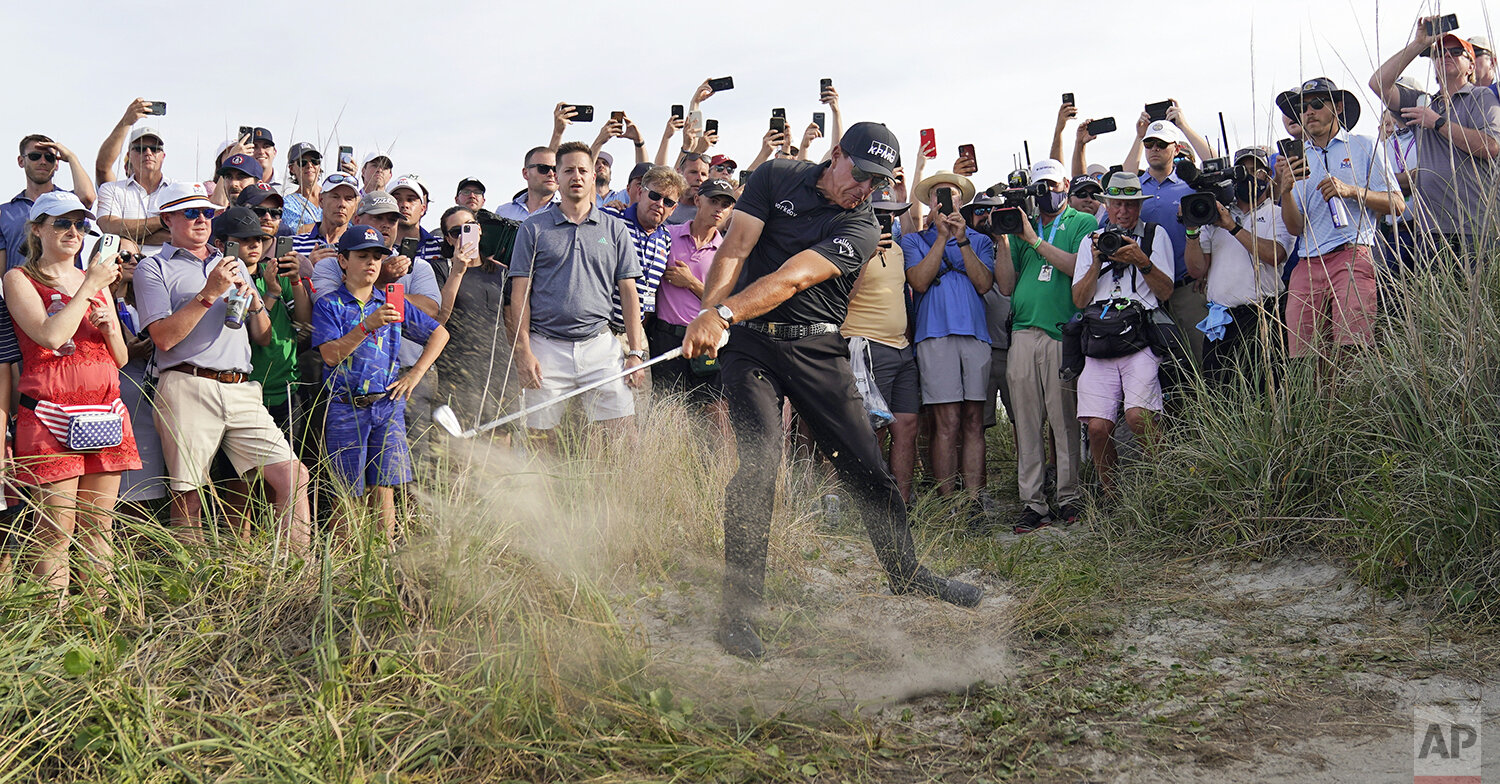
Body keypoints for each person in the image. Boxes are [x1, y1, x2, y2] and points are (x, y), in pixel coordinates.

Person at [681, 122, 983, 660]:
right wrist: (710, 311)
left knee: (869, 469)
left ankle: (906, 572)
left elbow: (795, 277)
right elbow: (737, 244)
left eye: (877, 182)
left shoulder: (863, 226)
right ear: (836, 155)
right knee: (758, 464)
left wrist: (721, 312)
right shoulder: (776, 175)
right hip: (750, 345)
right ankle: (739, 613)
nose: (864, 190)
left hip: (816, 349)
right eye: (859, 175)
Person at [132, 182, 311, 552]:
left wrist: (257, 302)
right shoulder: (153, 267)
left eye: (207, 212)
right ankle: (193, 589)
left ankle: (296, 578)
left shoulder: (230, 263)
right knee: (189, 497)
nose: (201, 219)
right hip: (186, 382)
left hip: (241, 386)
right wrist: (209, 293)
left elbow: (261, 337)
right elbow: (163, 338)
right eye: (190, 212)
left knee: (292, 475)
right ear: (168, 218)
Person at [4, 191, 139, 597]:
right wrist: (90, 288)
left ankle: (98, 624)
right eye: (62, 223)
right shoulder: (18, 278)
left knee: (100, 530)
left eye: (79, 224)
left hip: (104, 412)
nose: (73, 231)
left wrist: (111, 327)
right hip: (50, 416)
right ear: (37, 229)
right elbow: (49, 335)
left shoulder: (93, 280)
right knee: (55, 532)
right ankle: (54, 630)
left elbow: (120, 358)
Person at [313, 225, 449, 540]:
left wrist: (414, 375)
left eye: (377, 256)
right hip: (346, 407)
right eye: (363, 256)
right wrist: (367, 325)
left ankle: (384, 558)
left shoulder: (392, 302)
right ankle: (345, 564)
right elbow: (331, 355)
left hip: (387, 405)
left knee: (384, 486)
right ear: (343, 260)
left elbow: (440, 333)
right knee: (346, 491)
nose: (372, 263)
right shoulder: (330, 305)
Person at [505, 141, 647, 439]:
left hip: (600, 346)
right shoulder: (533, 228)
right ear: (556, 175)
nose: (577, 176)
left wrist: (635, 352)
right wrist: (523, 351)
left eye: (583, 170)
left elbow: (629, 293)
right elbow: (520, 295)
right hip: (546, 348)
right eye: (568, 170)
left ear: (594, 176)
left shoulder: (614, 229)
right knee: (540, 441)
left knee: (622, 436)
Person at [1273, 78, 1403, 362]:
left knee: (1352, 348)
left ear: (1339, 107)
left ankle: (1353, 406)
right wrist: (1285, 192)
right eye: (1303, 107)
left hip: (1352, 253)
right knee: (1304, 359)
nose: (1309, 111)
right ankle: (1322, 408)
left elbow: (1397, 203)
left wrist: (1351, 191)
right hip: (1307, 262)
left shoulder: (1364, 144)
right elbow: (1295, 228)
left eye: (1317, 104)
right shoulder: (1297, 159)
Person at [999, 158, 1094, 534]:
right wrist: (1003, 240)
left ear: (1065, 185)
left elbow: (1078, 268)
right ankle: (1033, 503)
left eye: (1053, 186)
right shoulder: (1027, 225)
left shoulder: (1082, 222)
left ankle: (1069, 496)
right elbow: (1006, 285)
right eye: (1041, 188)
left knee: (1063, 420)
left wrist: (1033, 240)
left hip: (1060, 331)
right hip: (1023, 332)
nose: (1047, 194)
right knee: (1025, 422)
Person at [1070, 172, 1175, 495]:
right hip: (1100, 337)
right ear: (1107, 205)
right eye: (1117, 204)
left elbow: (1166, 291)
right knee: (1098, 427)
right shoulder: (1092, 241)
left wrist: (1141, 261)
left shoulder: (1154, 235)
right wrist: (1096, 263)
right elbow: (1078, 299)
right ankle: (1112, 495)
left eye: (1130, 205)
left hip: (1138, 335)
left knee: (1139, 417)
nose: (1123, 212)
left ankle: (1165, 487)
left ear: (1139, 207)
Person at [901, 170, 994, 516]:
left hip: (975, 335)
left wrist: (962, 239)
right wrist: (941, 238)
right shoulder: (913, 241)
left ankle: (973, 501)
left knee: (973, 420)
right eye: (939, 195)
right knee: (945, 421)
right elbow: (920, 282)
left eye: (952, 195)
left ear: (961, 201)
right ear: (929, 203)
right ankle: (948, 504)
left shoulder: (980, 240)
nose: (946, 200)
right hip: (934, 336)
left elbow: (985, 284)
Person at [1369, 23, 1500, 254]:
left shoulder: (1482, 97)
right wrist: (1419, 44)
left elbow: (1491, 146)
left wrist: (1438, 123)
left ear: (1471, 65)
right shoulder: (1422, 102)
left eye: (1456, 51)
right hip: (1430, 231)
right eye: (1439, 53)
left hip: (1477, 228)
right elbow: (1378, 82)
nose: (1446, 55)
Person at [1183, 147, 1291, 386]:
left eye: (1257, 171)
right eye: (1243, 171)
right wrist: (1191, 229)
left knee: (1265, 389)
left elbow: (1275, 255)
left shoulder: (1277, 214)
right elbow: (1197, 270)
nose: (1250, 177)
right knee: (1220, 391)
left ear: (1269, 176)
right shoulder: (1215, 215)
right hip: (1221, 320)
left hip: (1263, 314)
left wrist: (1232, 227)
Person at [841, 192, 919, 502]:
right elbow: (842, 297)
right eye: (880, 213)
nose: (888, 220)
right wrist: (865, 256)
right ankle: (865, 503)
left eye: (893, 214)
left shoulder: (898, 250)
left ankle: (898, 504)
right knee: (872, 429)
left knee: (908, 426)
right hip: (865, 345)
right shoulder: (850, 244)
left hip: (902, 349)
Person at [654, 177, 735, 409]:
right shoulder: (667, 235)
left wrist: (691, 283)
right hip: (666, 336)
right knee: (667, 411)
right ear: (698, 200)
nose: (719, 209)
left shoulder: (728, 251)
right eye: (714, 201)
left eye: (726, 205)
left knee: (712, 410)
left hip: (706, 339)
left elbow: (728, 304)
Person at [111, 236, 169, 509]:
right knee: (120, 488)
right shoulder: (93, 299)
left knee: (151, 482)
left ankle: (146, 550)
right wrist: (128, 351)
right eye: (125, 255)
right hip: (115, 400)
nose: (133, 261)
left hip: (150, 398)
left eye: (139, 257)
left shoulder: (148, 300)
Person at [1, 135, 96, 271]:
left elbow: (87, 197)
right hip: (22, 287)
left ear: (56, 164)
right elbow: (3, 270)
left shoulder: (70, 202)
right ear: (21, 161)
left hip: (68, 289)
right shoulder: (4, 212)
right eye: (35, 156)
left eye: (50, 157)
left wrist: (71, 157)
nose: (43, 161)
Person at [603, 165, 680, 332]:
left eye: (667, 202)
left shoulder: (665, 238)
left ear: (673, 209)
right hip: (602, 330)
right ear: (640, 192)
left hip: (636, 332)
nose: (659, 204)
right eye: (654, 196)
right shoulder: (612, 217)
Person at [95, 126, 175, 255]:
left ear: (163, 156)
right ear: (129, 156)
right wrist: (162, 221)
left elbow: (185, 233)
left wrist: (126, 234)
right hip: (125, 267)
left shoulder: (178, 189)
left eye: (155, 149)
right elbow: (109, 227)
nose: (148, 153)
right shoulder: (111, 189)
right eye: (140, 149)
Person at [494, 147, 559, 221]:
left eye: (555, 169)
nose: (551, 174)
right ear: (525, 173)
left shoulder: (566, 213)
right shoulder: (503, 212)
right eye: (543, 168)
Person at [282, 142, 324, 231]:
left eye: (314, 161)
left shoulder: (332, 194)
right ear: (292, 168)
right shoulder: (287, 204)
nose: (309, 166)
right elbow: (297, 231)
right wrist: (332, 224)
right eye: (303, 162)